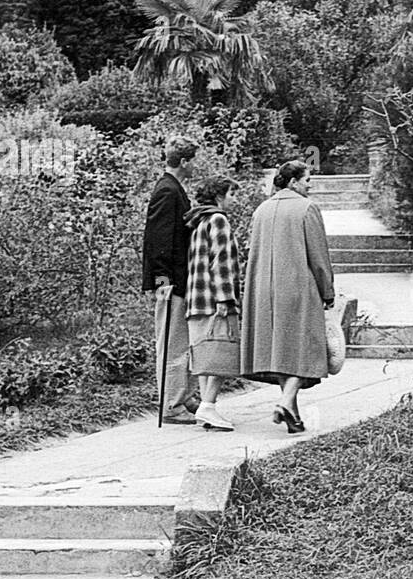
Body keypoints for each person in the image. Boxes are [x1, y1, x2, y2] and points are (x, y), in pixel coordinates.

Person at [240, 159, 335, 433]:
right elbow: (319, 257)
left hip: (263, 289)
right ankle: (284, 401)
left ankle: (292, 413)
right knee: (305, 347)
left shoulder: (262, 210)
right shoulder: (307, 208)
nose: (310, 186)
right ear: (293, 182)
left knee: (282, 348)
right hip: (297, 287)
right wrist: (327, 291)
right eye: (307, 181)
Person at [142, 136, 198, 424]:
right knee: (173, 344)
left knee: (181, 341)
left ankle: (183, 397)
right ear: (185, 161)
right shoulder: (167, 191)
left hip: (178, 278)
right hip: (171, 280)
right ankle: (171, 405)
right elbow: (158, 240)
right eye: (193, 161)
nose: (194, 166)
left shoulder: (173, 188)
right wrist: (162, 280)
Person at [184, 175, 242, 432]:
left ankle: (207, 407)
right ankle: (208, 404)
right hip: (214, 298)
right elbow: (221, 262)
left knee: (206, 354)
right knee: (220, 352)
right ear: (219, 197)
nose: (234, 200)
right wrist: (225, 298)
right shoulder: (218, 220)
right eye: (231, 194)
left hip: (196, 298)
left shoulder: (198, 222)